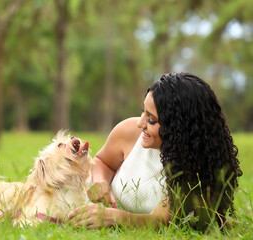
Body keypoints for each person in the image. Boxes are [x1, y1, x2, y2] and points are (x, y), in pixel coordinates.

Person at [68, 72, 242, 232]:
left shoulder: (196, 169)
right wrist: (100, 181)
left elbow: (160, 222)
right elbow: (102, 161)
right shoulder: (128, 131)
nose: (140, 123)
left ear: (179, 128)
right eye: (144, 111)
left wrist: (114, 217)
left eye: (151, 120)